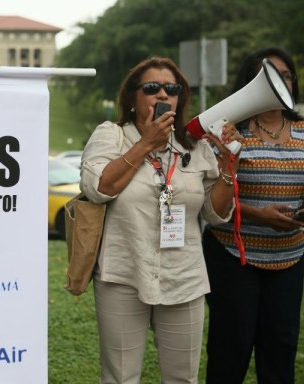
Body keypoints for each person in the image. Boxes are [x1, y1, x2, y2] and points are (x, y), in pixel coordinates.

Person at [80, 57, 243, 383]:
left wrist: (228, 168)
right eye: (151, 88)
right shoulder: (111, 135)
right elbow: (98, 188)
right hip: (123, 274)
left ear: (180, 97)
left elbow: (213, 213)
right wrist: (145, 144)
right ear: (132, 97)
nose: (162, 95)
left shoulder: (196, 146)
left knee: (183, 378)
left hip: (184, 278)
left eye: (172, 89)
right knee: (120, 377)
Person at [203, 47, 304, 384]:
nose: (281, 81)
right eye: (269, 75)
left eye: (286, 75)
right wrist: (258, 215)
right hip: (233, 255)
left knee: (280, 347)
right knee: (231, 346)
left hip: (289, 257)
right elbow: (209, 199)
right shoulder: (227, 133)